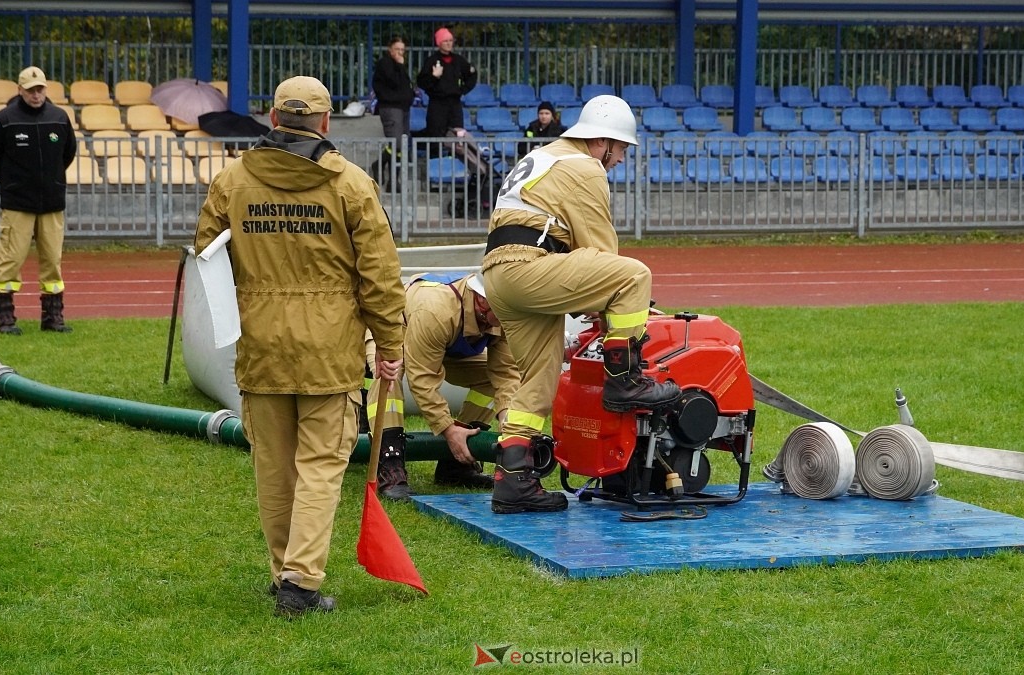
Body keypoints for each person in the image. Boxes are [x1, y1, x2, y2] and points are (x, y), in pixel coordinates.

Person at [193, 75, 406, 618]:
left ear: (272, 117)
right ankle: (301, 582)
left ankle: (282, 572)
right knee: (319, 465)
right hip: (328, 350)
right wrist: (389, 344)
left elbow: (207, 256)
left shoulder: (231, 181)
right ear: (326, 122)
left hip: (260, 345)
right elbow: (380, 277)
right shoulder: (352, 185)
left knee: (273, 465)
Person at [481, 95, 682, 515]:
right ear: (602, 142)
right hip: (530, 265)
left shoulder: (544, 155)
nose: (622, 159)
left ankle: (513, 481)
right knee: (634, 275)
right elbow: (606, 257)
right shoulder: (585, 167)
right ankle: (624, 381)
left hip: (498, 275)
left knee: (538, 377)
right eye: (622, 148)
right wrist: (632, 307)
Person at [367, 272, 519, 500]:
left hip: (441, 341)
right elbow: (423, 380)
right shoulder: (436, 309)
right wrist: (447, 429)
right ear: (482, 301)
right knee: (389, 376)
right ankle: (391, 466)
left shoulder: (501, 314)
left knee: (490, 381)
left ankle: (455, 465)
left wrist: (508, 421)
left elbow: (505, 374)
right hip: (397, 330)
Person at [0, 66, 76, 335]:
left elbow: (68, 152)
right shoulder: (4, 120)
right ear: (20, 90)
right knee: (10, 260)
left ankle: (52, 318)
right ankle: (6, 319)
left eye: (40, 89)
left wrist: (52, 179)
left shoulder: (60, 118)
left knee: (52, 261)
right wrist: (12, 182)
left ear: (46, 89)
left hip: (52, 203)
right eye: (31, 89)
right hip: (17, 204)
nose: (36, 94)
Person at [416, 26, 477, 140]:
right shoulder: (431, 61)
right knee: (435, 135)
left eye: (450, 40)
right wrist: (434, 77)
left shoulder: (459, 60)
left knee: (457, 134)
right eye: (445, 41)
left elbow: (472, 74)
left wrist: (462, 90)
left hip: (454, 103)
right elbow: (421, 82)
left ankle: (455, 157)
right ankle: (434, 157)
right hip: (437, 104)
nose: (449, 44)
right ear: (439, 43)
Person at [372, 36, 414, 144]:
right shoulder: (385, 64)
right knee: (397, 142)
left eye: (402, 50)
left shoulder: (400, 66)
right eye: (397, 49)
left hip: (403, 107)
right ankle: (380, 161)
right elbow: (393, 81)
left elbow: (405, 85)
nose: (400, 52)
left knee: (403, 142)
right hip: (391, 107)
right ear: (390, 49)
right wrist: (400, 65)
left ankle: (395, 160)